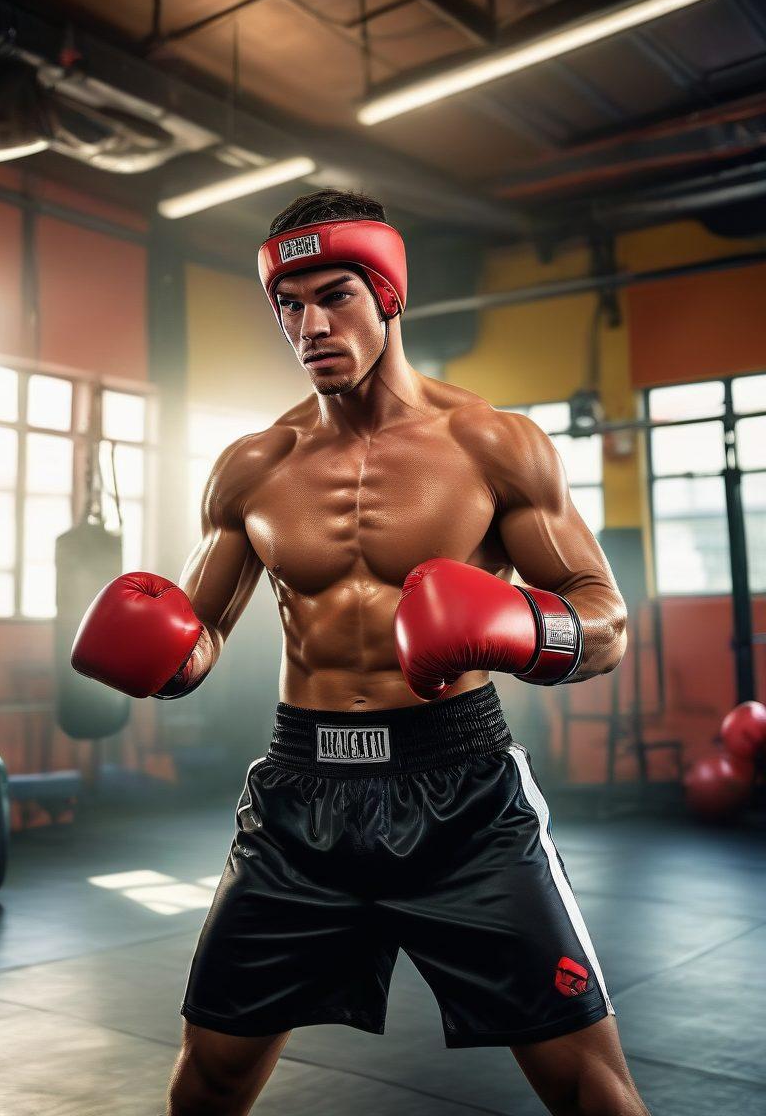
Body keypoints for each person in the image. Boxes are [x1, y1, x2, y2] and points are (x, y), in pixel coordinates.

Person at [72, 189, 649, 1116]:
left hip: (461, 791)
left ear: (388, 294)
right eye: (288, 306)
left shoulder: (492, 445)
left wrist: (517, 625)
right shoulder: (253, 466)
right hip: (301, 801)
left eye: (334, 295)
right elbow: (207, 625)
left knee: (590, 1086)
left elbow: (607, 620)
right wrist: (177, 658)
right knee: (211, 1073)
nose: (309, 324)